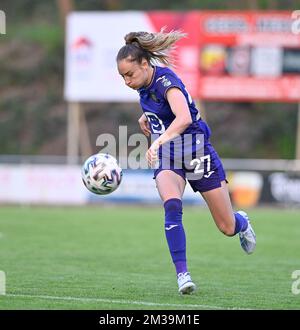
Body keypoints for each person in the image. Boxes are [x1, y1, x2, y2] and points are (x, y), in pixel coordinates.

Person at [116, 29, 256, 295]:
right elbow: (160, 111)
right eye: (122, 76)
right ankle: (183, 275)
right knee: (172, 206)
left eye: (130, 74)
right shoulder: (144, 86)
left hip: (198, 153)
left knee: (226, 227)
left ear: (145, 64)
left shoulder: (166, 80)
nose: (126, 81)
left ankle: (242, 223)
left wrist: (157, 141)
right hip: (170, 157)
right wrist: (146, 118)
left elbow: (184, 118)